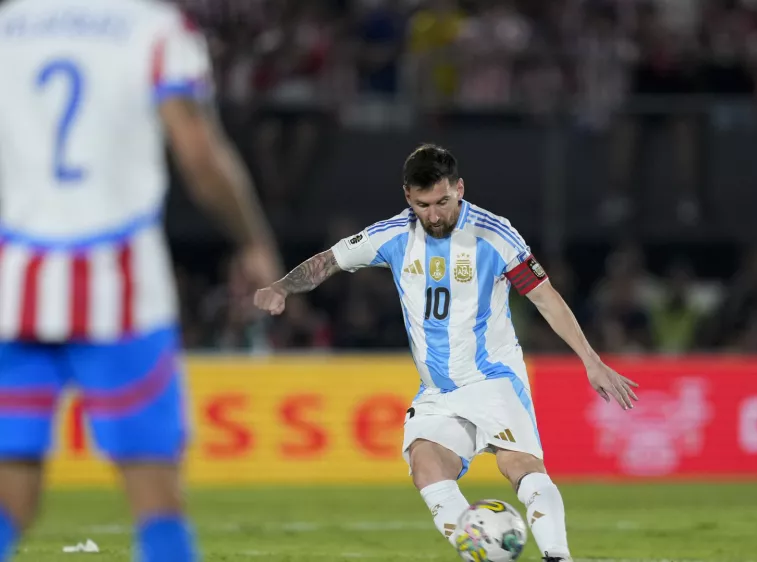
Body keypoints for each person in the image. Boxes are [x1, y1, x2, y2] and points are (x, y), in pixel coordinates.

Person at [255, 144, 638, 562]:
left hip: (492, 379)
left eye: (443, 202)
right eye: (423, 205)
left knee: (519, 466)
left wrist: (591, 361)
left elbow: (545, 298)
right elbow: (328, 261)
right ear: (408, 196)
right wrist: (281, 287)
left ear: (460, 189)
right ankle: (483, 555)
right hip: (439, 391)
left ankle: (558, 557)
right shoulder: (393, 236)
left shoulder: (494, 234)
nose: (434, 215)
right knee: (426, 464)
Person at [0, 1, 281, 561]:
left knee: (11, 499)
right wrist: (253, 241)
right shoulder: (156, 32)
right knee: (156, 500)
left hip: (14, 286)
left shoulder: (8, 28)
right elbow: (200, 156)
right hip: (120, 285)